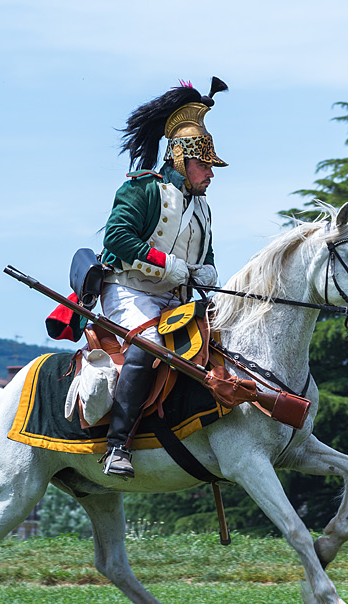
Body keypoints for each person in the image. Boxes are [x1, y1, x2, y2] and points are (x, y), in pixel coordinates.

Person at [99, 78, 228, 478]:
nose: (210, 173)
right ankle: (116, 446)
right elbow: (117, 239)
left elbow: (202, 254)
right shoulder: (143, 190)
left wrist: (207, 269)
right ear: (180, 158)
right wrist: (163, 264)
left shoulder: (203, 209)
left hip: (174, 298)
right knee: (148, 348)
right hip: (129, 291)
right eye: (204, 164)